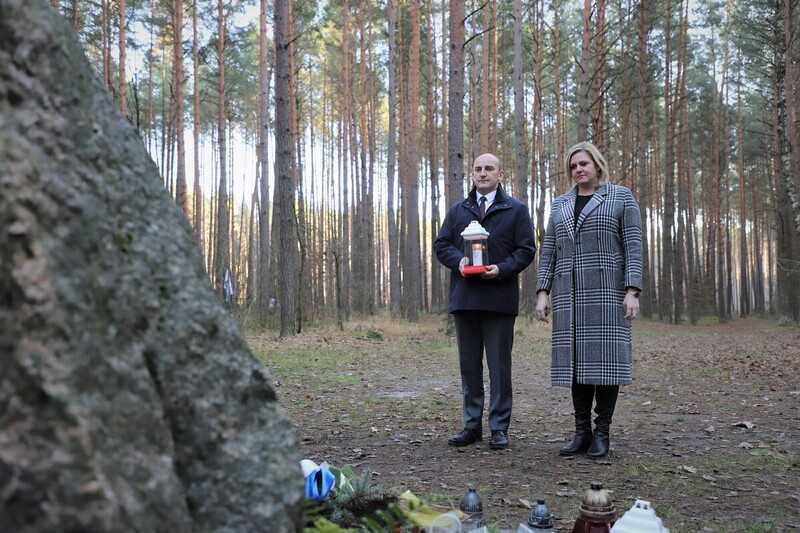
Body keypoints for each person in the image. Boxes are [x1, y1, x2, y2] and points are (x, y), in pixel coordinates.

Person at [535, 141, 643, 458]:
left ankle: (602, 432)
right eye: (573, 166)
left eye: (583, 163)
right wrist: (543, 292)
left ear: (597, 164)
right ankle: (581, 432)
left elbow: (633, 247)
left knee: (606, 364)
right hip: (569, 295)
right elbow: (549, 251)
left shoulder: (620, 197)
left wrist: (632, 291)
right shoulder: (560, 204)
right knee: (576, 365)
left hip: (607, 293)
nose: (578, 169)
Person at [434, 153, 536, 450]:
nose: (483, 173)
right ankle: (471, 426)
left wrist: (501, 269)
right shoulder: (458, 210)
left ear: (500, 174)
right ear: (472, 174)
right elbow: (442, 245)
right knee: (469, 367)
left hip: (499, 300)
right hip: (465, 299)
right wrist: (459, 261)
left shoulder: (516, 210)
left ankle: (499, 428)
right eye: (478, 169)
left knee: (499, 368)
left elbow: (526, 250)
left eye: (489, 168)